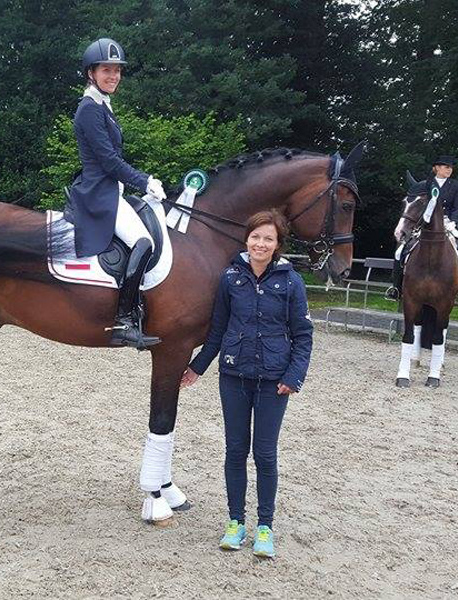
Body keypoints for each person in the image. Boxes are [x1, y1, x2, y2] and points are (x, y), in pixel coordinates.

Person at [180, 210, 313, 559]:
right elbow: (217, 330)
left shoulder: (291, 282)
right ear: (247, 239)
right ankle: (235, 522)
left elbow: (303, 335)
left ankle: (265, 526)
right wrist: (197, 367)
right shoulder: (230, 278)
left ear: (278, 244)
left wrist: (293, 376)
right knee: (235, 451)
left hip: (274, 381)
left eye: (268, 239)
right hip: (234, 376)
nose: (260, 244)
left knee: (265, 454)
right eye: (256, 237)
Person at [68, 37, 167, 349]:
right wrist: (145, 181)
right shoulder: (89, 109)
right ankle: (124, 320)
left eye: (117, 70)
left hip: (111, 189)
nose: (114, 76)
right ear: (91, 73)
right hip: (99, 192)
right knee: (144, 242)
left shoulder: (102, 105)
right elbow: (109, 161)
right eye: (106, 70)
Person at [386, 155, 458, 305]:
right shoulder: (426, 184)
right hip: (426, 223)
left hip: (447, 223)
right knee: (399, 252)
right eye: (445, 167)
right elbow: (417, 204)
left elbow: (457, 207)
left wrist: (453, 222)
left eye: (450, 167)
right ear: (436, 168)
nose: (449, 170)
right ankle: (396, 288)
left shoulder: (455, 185)